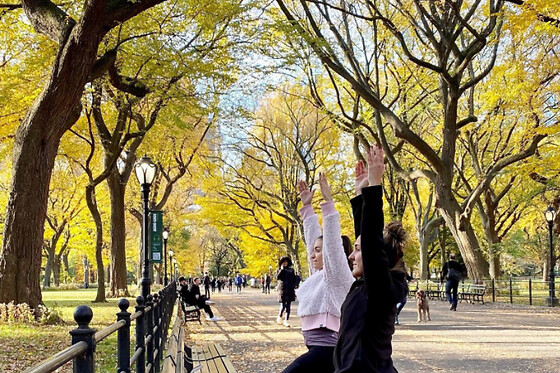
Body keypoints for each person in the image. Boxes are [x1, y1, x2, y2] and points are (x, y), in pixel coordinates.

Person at [334, 146, 408, 373]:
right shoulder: (367, 286)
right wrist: (360, 195)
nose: (350, 255)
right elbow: (365, 240)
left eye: (357, 250)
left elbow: (370, 244)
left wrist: (375, 187)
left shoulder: (380, 291)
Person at [283, 173, 355, 373]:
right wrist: (307, 209)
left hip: (328, 350)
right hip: (317, 348)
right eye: (313, 250)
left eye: (318, 251)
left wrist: (329, 204)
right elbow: (315, 241)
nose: (313, 255)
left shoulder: (338, 277)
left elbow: (331, 246)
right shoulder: (319, 275)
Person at [276, 256, 297, 327]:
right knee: (283, 305)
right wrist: (281, 270)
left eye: (286, 262)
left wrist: (295, 283)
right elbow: (277, 277)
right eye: (283, 262)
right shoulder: (279, 269)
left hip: (290, 289)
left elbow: (294, 279)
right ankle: (280, 316)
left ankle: (286, 320)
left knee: (288, 305)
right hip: (283, 289)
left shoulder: (291, 270)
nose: (285, 263)